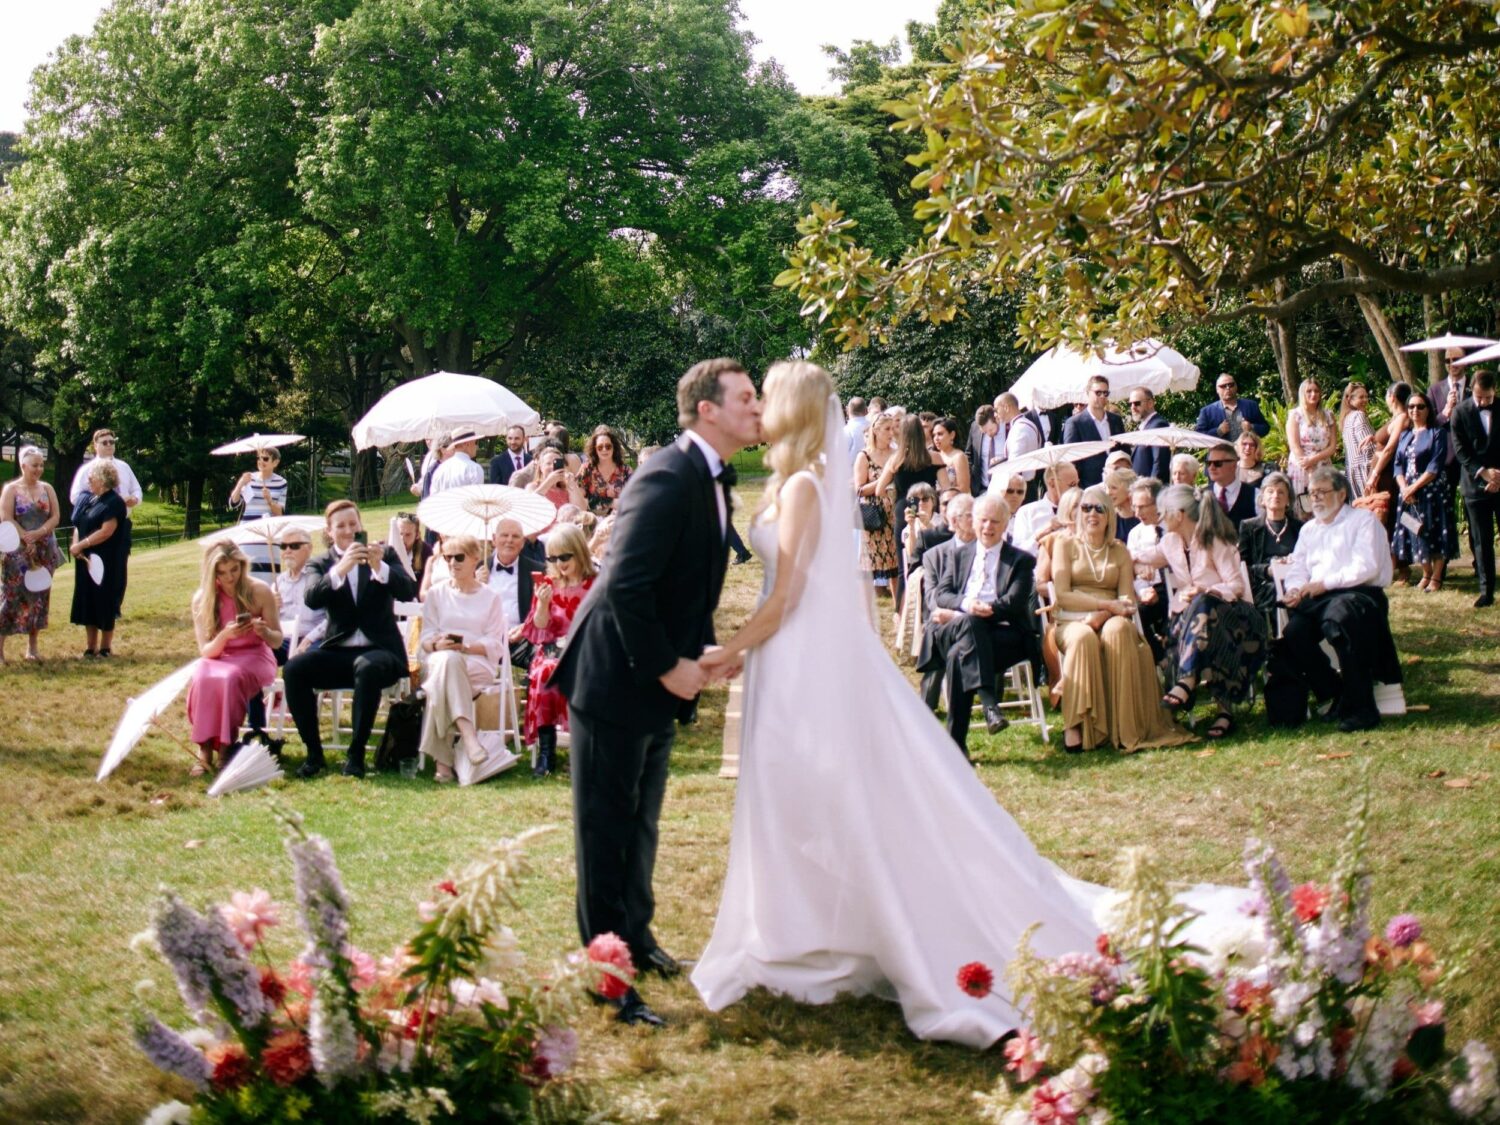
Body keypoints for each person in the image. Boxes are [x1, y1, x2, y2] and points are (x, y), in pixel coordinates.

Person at [691, 360, 1247, 1048]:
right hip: (786, 659)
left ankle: (831, 931)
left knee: (827, 795)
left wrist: (729, 649)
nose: (760, 408)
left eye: (768, 398)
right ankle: (798, 927)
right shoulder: (791, 482)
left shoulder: (806, 486)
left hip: (800, 655)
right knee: (788, 795)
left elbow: (787, 596)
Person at [551, 357, 761, 1028]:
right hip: (614, 677)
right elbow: (626, 584)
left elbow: (688, 584)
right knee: (604, 831)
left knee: (641, 825)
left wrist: (700, 651)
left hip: (658, 679)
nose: (759, 409)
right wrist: (668, 663)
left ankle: (635, 939)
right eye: (747, 398)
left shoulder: (710, 478)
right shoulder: (666, 475)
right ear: (708, 409)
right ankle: (607, 978)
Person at [1050, 487, 1193, 754]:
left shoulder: (1119, 551)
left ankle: (1122, 726)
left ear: (1109, 516)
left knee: (1118, 631)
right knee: (1082, 638)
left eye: (1099, 508)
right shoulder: (1064, 545)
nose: (1092, 514)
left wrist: (1104, 614)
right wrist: (1103, 605)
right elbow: (1063, 595)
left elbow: (1127, 599)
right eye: (1086, 508)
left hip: (1112, 615)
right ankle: (1076, 724)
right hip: (1072, 620)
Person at [283, 499, 418, 778]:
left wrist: (380, 567)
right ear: (329, 532)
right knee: (294, 669)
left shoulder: (386, 554)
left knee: (367, 668)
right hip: (339, 651)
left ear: (361, 525)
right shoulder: (320, 563)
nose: (348, 530)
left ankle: (355, 755)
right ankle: (314, 754)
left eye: (353, 524)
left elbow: (407, 591)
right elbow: (311, 598)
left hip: (381, 651)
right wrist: (341, 569)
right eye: (340, 526)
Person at [1272, 466, 1401, 731]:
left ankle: (1363, 709)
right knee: (1294, 633)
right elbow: (1298, 568)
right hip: (1320, 597)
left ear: (1341, 494)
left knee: (1338, 622)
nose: (1315, 498)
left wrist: (1324, 584)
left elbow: (1367, 567)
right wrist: (1295, 589)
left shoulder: (1363, 521)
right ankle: (1336, 690)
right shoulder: (1309, 530)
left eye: (1322, 492)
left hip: (1360, 593)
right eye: (1311, 493)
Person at [1135, 486, 1265, 740]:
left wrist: (1204, 589)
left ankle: (1187, 682)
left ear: (1179, 514)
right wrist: (1139, 566)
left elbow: (1236, 587)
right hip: (1196, 621)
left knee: (1205, 606)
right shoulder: (1170, 542)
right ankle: (1218, 707)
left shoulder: (1214, 540)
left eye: (1163, 512)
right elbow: (1141, 556)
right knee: (1199, 615)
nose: (1159, 517)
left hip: (1235, 617)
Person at [916, 493, 1032, 756]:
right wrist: (968, 605)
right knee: (969, 625)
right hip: (958, 628)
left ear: (1005, 524)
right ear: (974, 521)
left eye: (995, 521)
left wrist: (980, 612)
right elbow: (942, 594)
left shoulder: (1021, 561)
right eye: (983, 520)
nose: (988, 527)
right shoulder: (958, 556)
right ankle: (990, 704)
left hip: (1003, 635)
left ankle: (956, 745)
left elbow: (1014, 602)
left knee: (960, 654)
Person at [417, 534, 506, 783]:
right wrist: (437, 643)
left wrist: (466, 646)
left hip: (476, 662)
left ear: (475, 559)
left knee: (446, 674)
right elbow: (425, 637)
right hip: (438, 659)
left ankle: (443, 765)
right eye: (447, 558)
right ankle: (468, 735)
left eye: (459, 557)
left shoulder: (491, 597)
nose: (452, 563)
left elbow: (495, 644)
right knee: (447, 662)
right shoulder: (436, 594)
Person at [186, 541, 281, 775]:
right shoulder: (203, 598)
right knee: (202, 676)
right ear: (212, 572)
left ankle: (226, 747)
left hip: (255, 655)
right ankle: (205, 749)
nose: (229, 578)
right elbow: (205, 650)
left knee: (230, 677)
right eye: (222, 572)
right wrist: (225, 636)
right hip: (219, 655)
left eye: (234, 570)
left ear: (242, 565)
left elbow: (277, 640)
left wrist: (264, 631)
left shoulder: (259, 590)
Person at [521, 523, 598, 778]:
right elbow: (539, 627)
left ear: (579, 552)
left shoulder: (596, 584)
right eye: (553, 558)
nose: (559, 563)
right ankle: (547, 753)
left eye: (565, 556)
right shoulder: (548, 584)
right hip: (553, 651)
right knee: (545, 673)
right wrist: (542, 604)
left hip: (589, 651)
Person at [68, 428, 142, 616]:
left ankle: (114, 607)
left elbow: (137, 491)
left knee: (119, 565)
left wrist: (133, 499)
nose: (109, 445)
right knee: (96, 564)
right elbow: (75, 496)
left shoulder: (124, 467)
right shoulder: (87, 470)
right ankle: (95, 606)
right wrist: (103, 501)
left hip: (121, 523)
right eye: (105, 442)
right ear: (95, 445)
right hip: (97, 525)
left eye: (112, 441)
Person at [0, 446, 63, 663]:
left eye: (41, 465)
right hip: (17, 551)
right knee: (10, 597)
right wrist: (25, 536)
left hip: (44, 550)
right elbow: (6, 517)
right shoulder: (11, 489)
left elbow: (56, 516)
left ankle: (32, 648)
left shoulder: (47, 488)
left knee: (39, 598)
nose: (39, 469)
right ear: (23, 465)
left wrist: (39, 533)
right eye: (34, 465)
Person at [1390, 391, 1458, 592]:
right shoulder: (1405, 434)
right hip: (1408, 495)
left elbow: (1435, 466)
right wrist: (1404, 488)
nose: (1415, 410)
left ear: (1428, 409)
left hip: (1431, 491)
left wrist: (1413, 487)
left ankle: (1436, 577)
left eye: (1420, 406)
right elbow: (1397, 465)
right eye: (1411, 406)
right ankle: (1425, 572)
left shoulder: (1437, 433)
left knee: (1434, 533)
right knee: (1414, 531)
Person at [876, 414, 943, 602]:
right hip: (928, 506)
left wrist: (895, 492)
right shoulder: (934, 457)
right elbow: (945, 488)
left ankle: (900, 611)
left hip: (904, 507)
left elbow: (880, 489)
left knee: (904, 563)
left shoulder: (895, 460)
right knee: (932, 557)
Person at [69, 460, 130, 657]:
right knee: (88, 600)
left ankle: (105, 647)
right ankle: (90, 646)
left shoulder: (115, 502)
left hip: (106, 560)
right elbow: (79, 524)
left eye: (92, 477)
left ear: (103, 479)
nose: (88, 480)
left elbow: (106, 532)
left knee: (104, 600)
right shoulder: (90, 500)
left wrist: (82, 544)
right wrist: (75, 544)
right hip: (85, 560)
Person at [1451, 371, 1500, 608]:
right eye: (1479, 397)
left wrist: (1498, 475)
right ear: (1472, 391)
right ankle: (1486, 591)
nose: (1483, 402)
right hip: (1474, 485)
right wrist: (1483, 472)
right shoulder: (1460, 412)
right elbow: (1461, 451)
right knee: (1482, 541)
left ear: (1495, 391)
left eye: (1488, 398)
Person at [1237, 472, 1302, 617]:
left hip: (1295, 582)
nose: (1275, 496)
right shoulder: (1248, 527)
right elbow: (1241, 566)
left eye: (1281, 492)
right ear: (1262, 499)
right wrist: (1267, 570)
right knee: (1276, 590)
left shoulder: (1300, 528)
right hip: (1263, 586)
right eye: (1270, 491)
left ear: (1288, 500)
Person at [487, 517, 546, 666]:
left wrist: (525, 629)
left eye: (515, 536)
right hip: (484, 639)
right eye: (504, 535)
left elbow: (543, 611)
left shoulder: (538, 570)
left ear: (522, 543)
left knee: (544, 658)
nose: (509, 540)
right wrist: (478, 585)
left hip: (520, 639)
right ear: (494, 539)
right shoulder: (477, 569)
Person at [854, 412, 899, 593]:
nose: (891, 433)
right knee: (869, 566)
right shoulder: (864, 456)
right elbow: (859, 489)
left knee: (895, 567)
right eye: (887, 429)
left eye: (893, 429)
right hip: (874, 517)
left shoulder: (896, 454)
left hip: (894, 514)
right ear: (876, 431)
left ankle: (898, 609)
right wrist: (884, 479)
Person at [1125, 477, 1169, 662]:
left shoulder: (1175, 525)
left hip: (1180, 587)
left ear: (1158, 503)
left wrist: (1137, 560)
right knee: (1135, 615)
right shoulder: (1135, 533)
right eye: (1134, 507)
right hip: (1153, 589)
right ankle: (1162, 660)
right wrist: (1143, 591)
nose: (1137, 513)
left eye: (1142, 507)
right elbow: (1133, 570)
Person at [1060, 376, 1125, 487]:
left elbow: (1124, 451)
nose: (1102, 396)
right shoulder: (1074, 423)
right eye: (1098, 393)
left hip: (1116, 485)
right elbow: (1071, 461)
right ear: (1088, 393)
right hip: (1088, 487)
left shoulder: (1116, 420)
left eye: (1105, 393)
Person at [1285, 379, 1337, 512]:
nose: (1313, 394)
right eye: (1309, 391)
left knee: (1325, 507)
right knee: (1304, 509)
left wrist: (1314, 460)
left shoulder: (1328, 415)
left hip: (1323, 464)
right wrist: (1310, 470)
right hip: (1301, 466)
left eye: (1316, 391)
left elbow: (1332, 447)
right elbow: (1295, 446)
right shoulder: (1295, 415)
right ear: (1302, 393)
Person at [1010, 461, 1080, 557]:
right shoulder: (1027, 512)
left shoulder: (1083, 510)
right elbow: (1018, 554)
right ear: (1052, 484)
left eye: (1077, 484)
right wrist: (1046, 530)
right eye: (1072, 485)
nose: (1077, 489)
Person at [995, 393, 1043, 500]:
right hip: (1028, 486)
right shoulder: (1028, 424)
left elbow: (1014, 466)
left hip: (1020, 489)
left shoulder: (1019, 428)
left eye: (997, 409)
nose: (996, 414)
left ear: (1006, 407)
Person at [579, 424, 633, 517]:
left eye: (608, 446)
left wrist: (595, 501)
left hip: (620, 519)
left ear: (614, 447)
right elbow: (579, 499)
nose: (604, 450)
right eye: (600, 447)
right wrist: (611, 502)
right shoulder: (587, 469)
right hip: (592, 521)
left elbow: (633, 499)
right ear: (595, 449)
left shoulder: (626, 471)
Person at [1194, 373, 1269, 438]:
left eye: (1231, 385)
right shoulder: (1207, 412)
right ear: (1217, 390)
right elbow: (1198, 436)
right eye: (1223, 386)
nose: (1228, 388)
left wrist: (1251, 427)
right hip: (1221, 453)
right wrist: (1218, 431)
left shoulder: (1251, 405)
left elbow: (1265, 428)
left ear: (1236, 386)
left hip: (1246, 453)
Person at [1338, 381, 1378, 499]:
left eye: (1366, 396)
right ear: (1350, 400)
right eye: (1361, 397)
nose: (1365, 400)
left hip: (1352, 473)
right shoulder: (1359, 415)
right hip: (1365, 471)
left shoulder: (1346, 419)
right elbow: (1368, 447)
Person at [1203, 442, 1258, 527]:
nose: (1211, 468)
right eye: (1209, 463)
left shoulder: (1255, 495)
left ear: (1233, 465)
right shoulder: (1200, 496)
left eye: (1218, 463)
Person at [526, 441, 588, 512]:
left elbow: (581, 510)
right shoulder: (533, 487)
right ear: (541, 467)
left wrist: (572, 484)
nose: (552, 467)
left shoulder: (567, 488)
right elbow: (530, 504)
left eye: (555, 463)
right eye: (548, 463)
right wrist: (549, 482)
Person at [229, 446, 287, 520]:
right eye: (259, 458)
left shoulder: (281, 483)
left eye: (265, 459)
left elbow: (280, 514)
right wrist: (240, 484)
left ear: (275, 462)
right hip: (248, 526)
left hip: (268, 527)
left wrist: (270, 501)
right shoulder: (249, 478)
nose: (261, 461)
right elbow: (233, 503)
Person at [1126, 386, 1171, 481]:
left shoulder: (1158, 425)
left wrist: (1152, 490)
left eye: (1137, 403)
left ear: (1150, 403)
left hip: (1150, 489)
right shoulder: (1146, 426)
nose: (1132, 407)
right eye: (1130, 404)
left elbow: (1159, 462)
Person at [900, 481, 942, 573]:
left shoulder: (941, 521)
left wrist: (928, 524)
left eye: (925, 499)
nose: (920, 503)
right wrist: (911, 527)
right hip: (919, 570)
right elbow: (911, 555)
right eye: (915, 500)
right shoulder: (908, 528)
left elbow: (942, 548)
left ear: (933, 501)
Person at [429, 428, 485, 494]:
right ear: (467, 444)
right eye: (475, 443)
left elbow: (433, 498)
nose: (477, 446)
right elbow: (477, 498)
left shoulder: (440, 469)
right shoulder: (474, 468)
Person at [966, 404, 1003, 495]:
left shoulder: (1008, 428)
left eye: (991, 429)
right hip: (981, 488)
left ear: (996, 420)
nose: (988, 434)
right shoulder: (974, 428)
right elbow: (968, 454)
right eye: (984, 431)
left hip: (1003, 487)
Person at [930, 417, 971, 495]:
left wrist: (941, 494)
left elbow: (964, 489)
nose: (936, 438)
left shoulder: (959, 456)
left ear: (952, 435)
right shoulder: (934, 457)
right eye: (934, 435)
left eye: (940, 434)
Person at [394, 514, 432, 587]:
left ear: (417, 534)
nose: (402, 539)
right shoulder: (388, 550)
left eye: (408, 535)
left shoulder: (426, 551)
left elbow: (424, 585)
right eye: (400, 534)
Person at [1103, 467, 1139, 541]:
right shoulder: (1107, 520)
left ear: (1129, 489)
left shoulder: (1144, 517)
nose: (1108, 493)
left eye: (1114, 488)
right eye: (1107, 488)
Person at [842, 396, 870, 467]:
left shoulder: (846, 431)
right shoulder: (874, 426)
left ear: (847, 411)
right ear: (866, 410)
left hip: (852, 474)